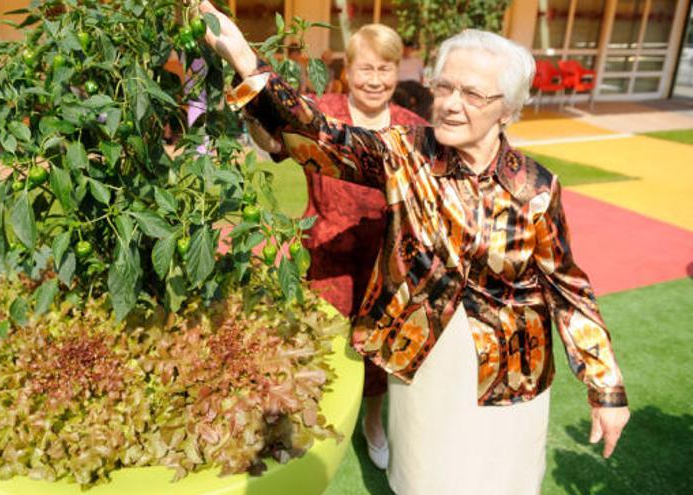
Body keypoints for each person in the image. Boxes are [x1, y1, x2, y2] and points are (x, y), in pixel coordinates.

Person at [200, 3, 630, 494]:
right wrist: (241, 54)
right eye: (443, 87)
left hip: (510, 370)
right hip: (421, 357)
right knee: (423, 476)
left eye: (471, 93)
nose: (449, 103)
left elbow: (567, 288)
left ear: (508, 109)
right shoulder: (407, 152)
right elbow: (318, 135)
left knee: (499, 479)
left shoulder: (536, 188)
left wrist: (606, 388)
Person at [247, 24, 426, 471]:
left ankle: (372, 423)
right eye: (366, 67)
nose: (376, 78)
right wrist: (253, 117)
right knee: (322, 346)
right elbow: (274, 145)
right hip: (326, 256)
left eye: (385, 68)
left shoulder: (413, 128)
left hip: (387, 264)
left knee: (379, 353)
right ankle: (316, 425)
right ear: (349, 68)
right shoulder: (321, 113)